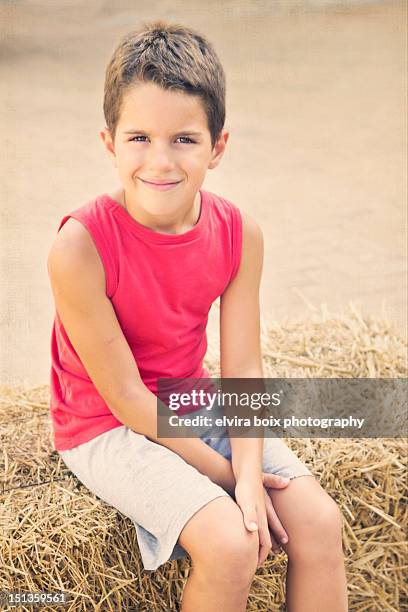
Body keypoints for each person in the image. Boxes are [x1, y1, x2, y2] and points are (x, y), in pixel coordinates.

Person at [47, 20, 348, 612]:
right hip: (103, 422)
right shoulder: (78, 247)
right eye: (138, 138)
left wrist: (250, 466)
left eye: (184, 139)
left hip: (189, 400)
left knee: (318, 521)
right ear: (109, 143)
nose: (160, 161)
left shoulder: (240, 234)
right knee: (231, 544)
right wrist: (233, 479)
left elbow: (242, 368)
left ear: (218, 146)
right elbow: (129, 398)